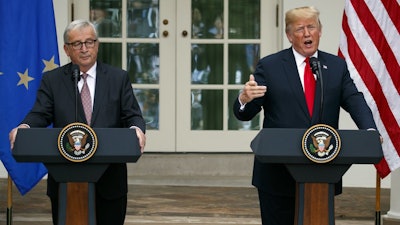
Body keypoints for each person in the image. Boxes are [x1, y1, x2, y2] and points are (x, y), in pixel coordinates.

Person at [232, 6, 378, 225]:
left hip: (321, 174)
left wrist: (369, 131)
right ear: (289, 36)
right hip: (277, 174)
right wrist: (245, 99)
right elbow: (246, 113)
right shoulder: (271, 66)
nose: (307, 33)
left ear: (320, 31)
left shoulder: (336, 66)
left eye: (312, 27)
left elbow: (353, 100)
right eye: (300, 29)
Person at [9, 19, 146, 225]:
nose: (84, 49)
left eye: (89, 42)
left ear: (97, 45)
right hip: (66, 180)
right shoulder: (52, 80)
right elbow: (40, 113)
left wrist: (137, 129)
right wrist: (24, 127)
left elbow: (132, 114)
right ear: (66, 49)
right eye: (77, 44)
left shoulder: (118, 78)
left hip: (109, 182)